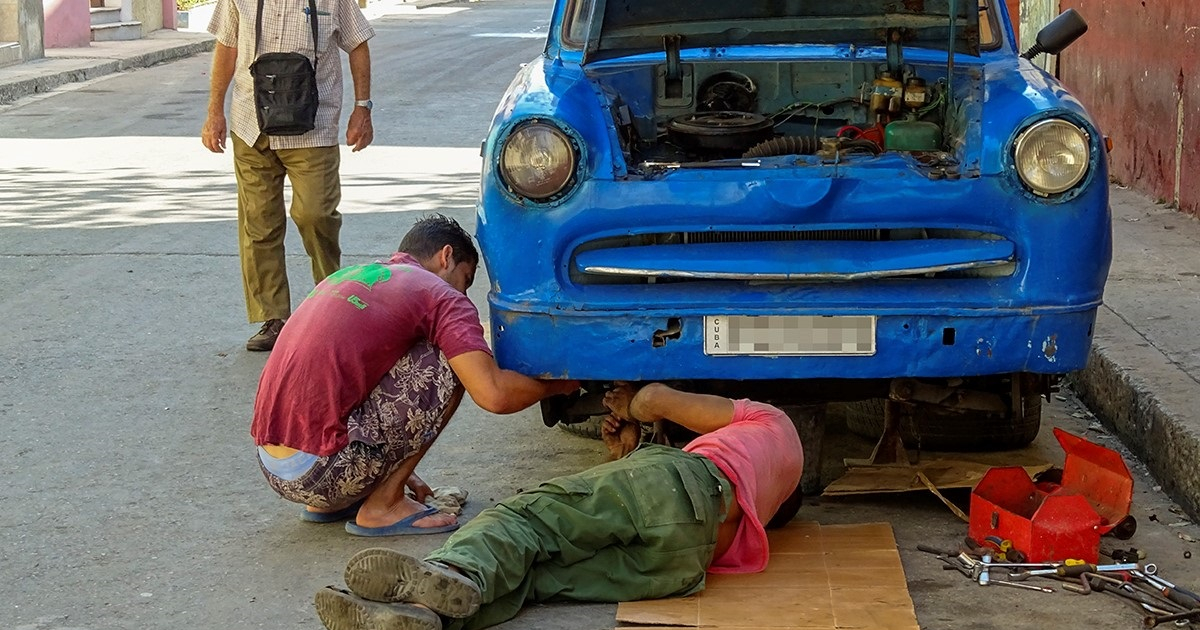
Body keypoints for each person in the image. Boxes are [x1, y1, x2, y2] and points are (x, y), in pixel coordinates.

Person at [312, 382, 805, 630]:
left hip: (681, 485)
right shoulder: (761, 505)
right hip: (684, 564)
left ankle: (449, 568)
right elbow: (678, 520)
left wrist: (626, 404)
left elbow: (658, 398)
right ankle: (423, 614)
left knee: (526, 523)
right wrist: (624, 457)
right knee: (534, 578)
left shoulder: (773, 422)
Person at [251, 215, 580, 536]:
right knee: (455, 356)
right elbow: (493, 394)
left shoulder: (356, 276)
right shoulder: (440, 296)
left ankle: (341, 503)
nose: (463, 295)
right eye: (465, 280)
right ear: (446, 256)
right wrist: (563, 384)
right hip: (326, 474)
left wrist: (403, 473)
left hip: (277, 470)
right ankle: (384, 506)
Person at [201, 0, 376, 351]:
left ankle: (330, 307)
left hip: (313, 127)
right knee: (259, 223)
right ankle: (273, 318)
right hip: (251, 125)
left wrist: (363, 108)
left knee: (317, 214)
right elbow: (227, 45)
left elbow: (358, 43)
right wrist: (214, 112)